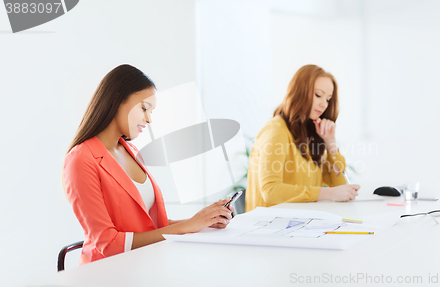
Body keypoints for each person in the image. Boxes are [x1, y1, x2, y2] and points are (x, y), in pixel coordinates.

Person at [63, 64, 233, 264]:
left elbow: (154, 227)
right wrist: (189, 226)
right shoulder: (81, 159)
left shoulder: (131, 152)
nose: (149, 119)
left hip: (147, 265)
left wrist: (203, 221)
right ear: (116, 99)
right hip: (108, 273)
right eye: (144, 108)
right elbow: (108, 243)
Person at [245, 64, 361, 212]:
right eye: (318, 95)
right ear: (299, 92)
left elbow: (339, 186)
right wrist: (326, 193)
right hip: (269, 227)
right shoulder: (276, 130)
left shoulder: (309, 134)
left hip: (299, 223)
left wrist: (331, 143)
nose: (324, 104)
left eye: (328, 99)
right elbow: (270, 191)